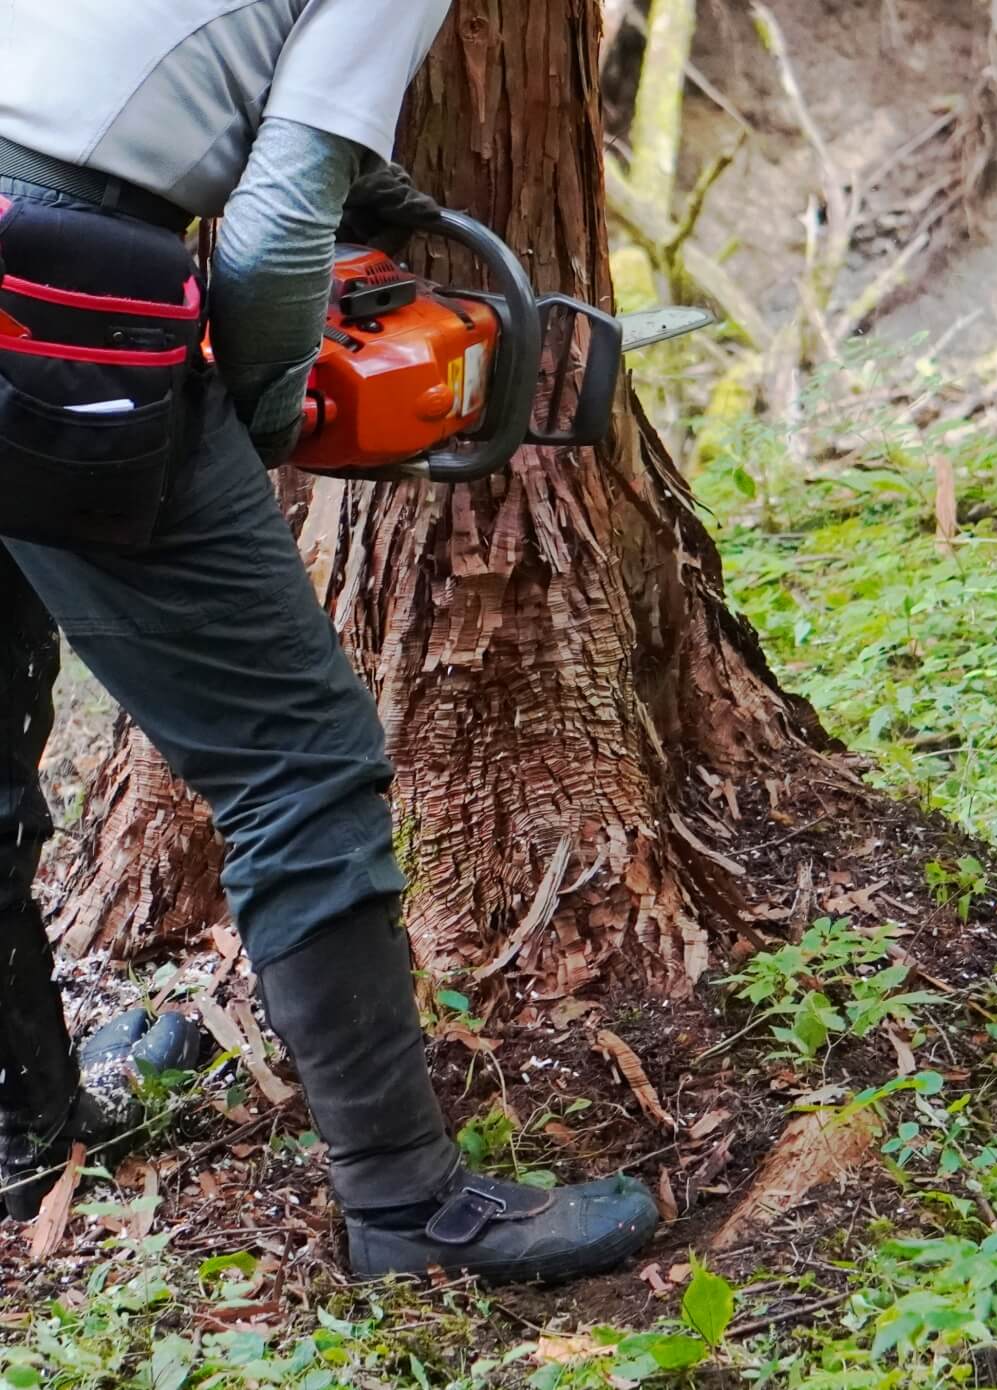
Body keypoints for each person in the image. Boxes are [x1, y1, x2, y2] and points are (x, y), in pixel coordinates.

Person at [0, 2, 658, 1284]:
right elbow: (276, 234)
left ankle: (19, 1123)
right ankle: (410, 1210)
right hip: (45, 305)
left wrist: (366, 169)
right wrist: (249, 425)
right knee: (299, 762)